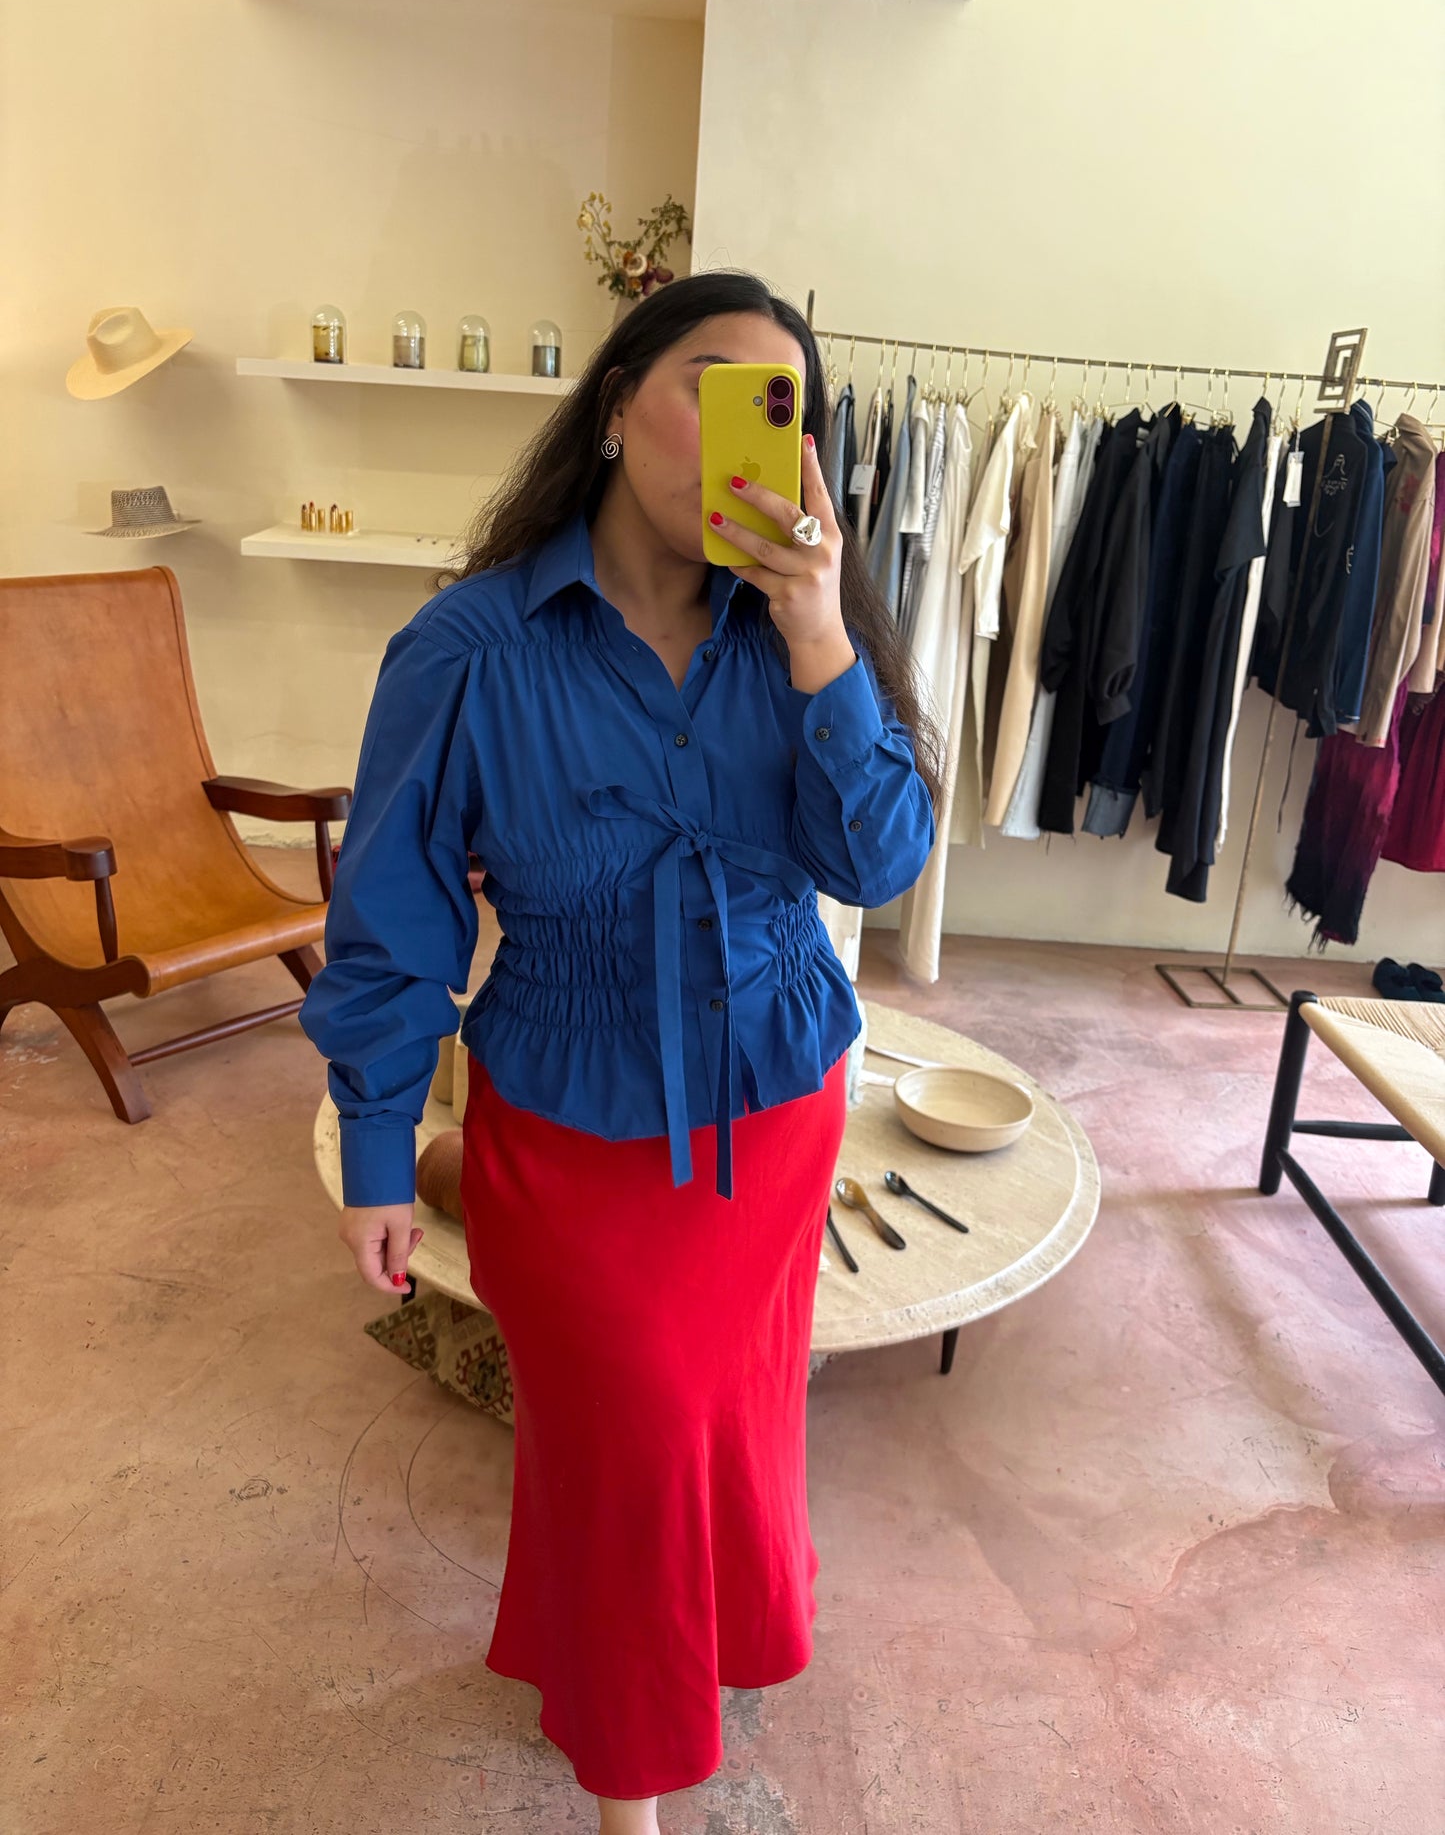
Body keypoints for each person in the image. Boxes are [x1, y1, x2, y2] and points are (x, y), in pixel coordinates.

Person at [299, 268, 943, 1832]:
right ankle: (633, 1783)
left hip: (775, 1101)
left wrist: (816, 633)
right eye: (708, 387)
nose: (742, 433)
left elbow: (877, 860)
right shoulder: (467, 649)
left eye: (778, 406)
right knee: (630, 1438)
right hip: (569, 1115)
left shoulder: (800, 630)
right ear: (612, 409)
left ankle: (656, 1650)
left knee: (719, 1422)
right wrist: (377, 1147)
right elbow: (393, 916)